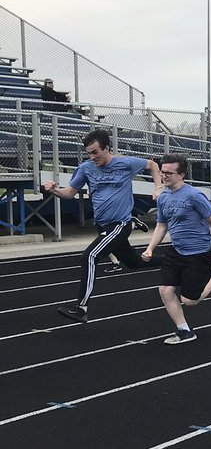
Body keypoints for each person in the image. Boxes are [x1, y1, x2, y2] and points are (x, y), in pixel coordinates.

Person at [43, 128, 161, 323]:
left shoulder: (125, 163)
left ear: (107, 148)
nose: (92, 156)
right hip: (103, 225)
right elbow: (69, 193)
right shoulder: (86, 168)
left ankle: (81, 308)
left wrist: (158, 187)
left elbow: (152, 165)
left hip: (120, 224)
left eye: (95, 152)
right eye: (89, 153)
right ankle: (178, 262)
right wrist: (54, 190)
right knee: (134, 263)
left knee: (89, 256)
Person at [140, 154, 211, 343]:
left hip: (198, 253)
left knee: (190, 300)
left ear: (181, 175)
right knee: (165, 291)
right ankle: (184, 331)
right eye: (162, 172)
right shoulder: (163, 197)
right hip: (176, 251)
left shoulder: (194, 195)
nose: (164, 176)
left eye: (169, 172)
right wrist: (150, 248)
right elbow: (161, 225)